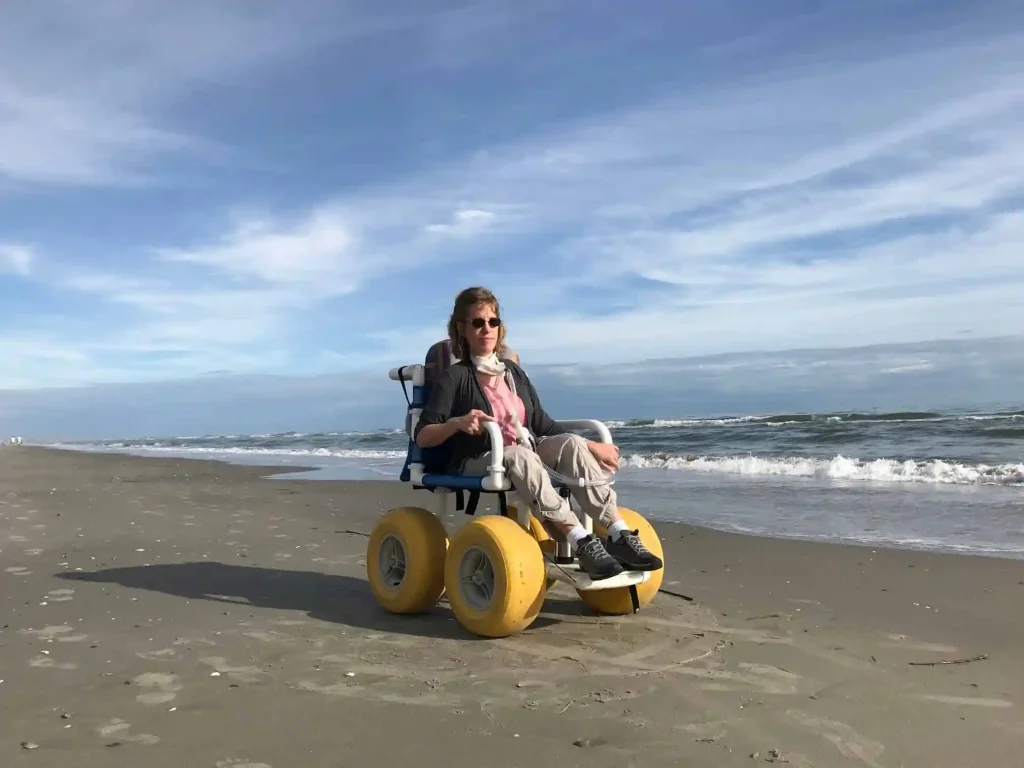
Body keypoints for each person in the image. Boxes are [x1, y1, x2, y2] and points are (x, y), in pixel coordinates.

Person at [415, 286, 663, 580]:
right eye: (477, 323)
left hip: (526, 452)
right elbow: (423, 435)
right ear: (462, 329)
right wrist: (456, 423)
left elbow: (543, 424)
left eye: (492, 321)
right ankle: (582, 541)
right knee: (521, 455)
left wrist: (592, 446)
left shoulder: (512, 373)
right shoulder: (454, 377)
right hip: (478, 457)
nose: (486, 329)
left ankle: (619, 534)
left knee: (570, 443)